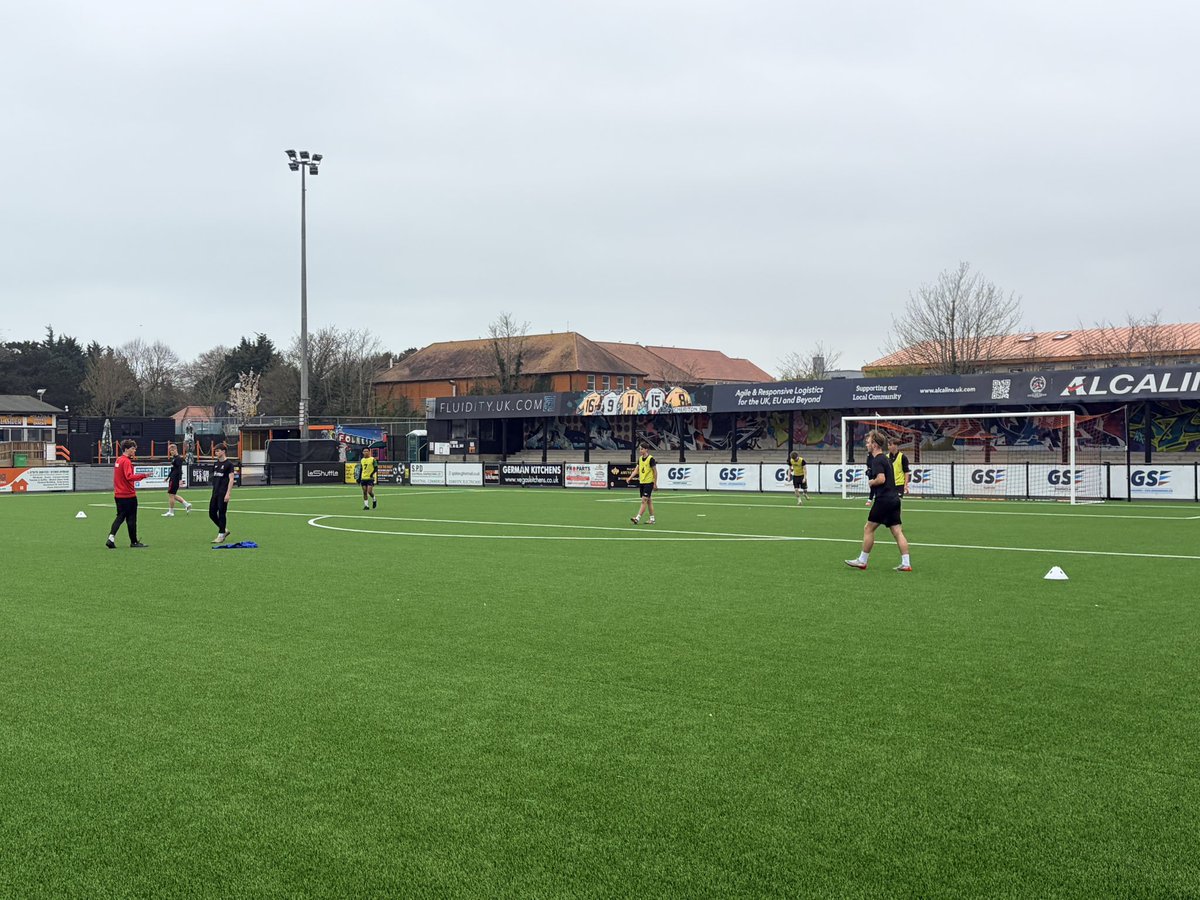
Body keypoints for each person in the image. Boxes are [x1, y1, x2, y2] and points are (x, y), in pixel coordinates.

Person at [845, 429, 912, 572]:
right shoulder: (886, 459)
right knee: (897, 532)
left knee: (868, 529)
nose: (867, 445)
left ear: (875, 444)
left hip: (884, 500)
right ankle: (906, 563)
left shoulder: (877, 460)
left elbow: (881, 479)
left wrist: (872, 482)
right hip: (894, 500)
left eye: (868, 442)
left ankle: (862, 560)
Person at [107, 439, 150, 549]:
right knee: (131, 519)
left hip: (118, 494)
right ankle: (134, 542)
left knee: (120, 517)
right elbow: (129, 476)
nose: (134, 450)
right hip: (128, 495)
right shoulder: (126, 461)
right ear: (126, 449)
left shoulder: (118, 460)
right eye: (132, 448)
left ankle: (111, 538)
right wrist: (143, 475)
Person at [209, 442, 236, 543]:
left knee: (222, 513)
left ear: (223, 451)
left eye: (218, 451)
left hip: (223, 492)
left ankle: (221, 535)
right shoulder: (216, 464)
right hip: (215, 492)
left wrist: (228, 493)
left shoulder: (229, 464)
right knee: (211, 513)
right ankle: (224, 529)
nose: (216, 453)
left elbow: (231, 479)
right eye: (215, 451)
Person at [626, 443, 657, 525]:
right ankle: (652, 519)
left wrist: (655, 483)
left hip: (649, 482)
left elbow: (655, 471)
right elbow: (636, 470)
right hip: (642, 482)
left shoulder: (651, 459)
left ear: (646, 449)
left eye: (642, 449)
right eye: (640, 449)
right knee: (649, 501)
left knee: (644, 500)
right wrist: (630, 477)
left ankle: (637, 518)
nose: (640, 450)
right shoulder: (640, 459)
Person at [162, 442, 193, 516]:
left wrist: (180, 479)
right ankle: (186, 504)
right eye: (170, 451)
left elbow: (179, 470)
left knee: (171, 495)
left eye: (172, 450)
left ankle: (171, 512)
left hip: (175, 478)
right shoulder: (175, 459)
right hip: (172, 477)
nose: (171, 452)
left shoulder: (178, 459)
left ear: (176, 450)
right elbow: (173, 469)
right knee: (173, 494)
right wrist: (168, 477)